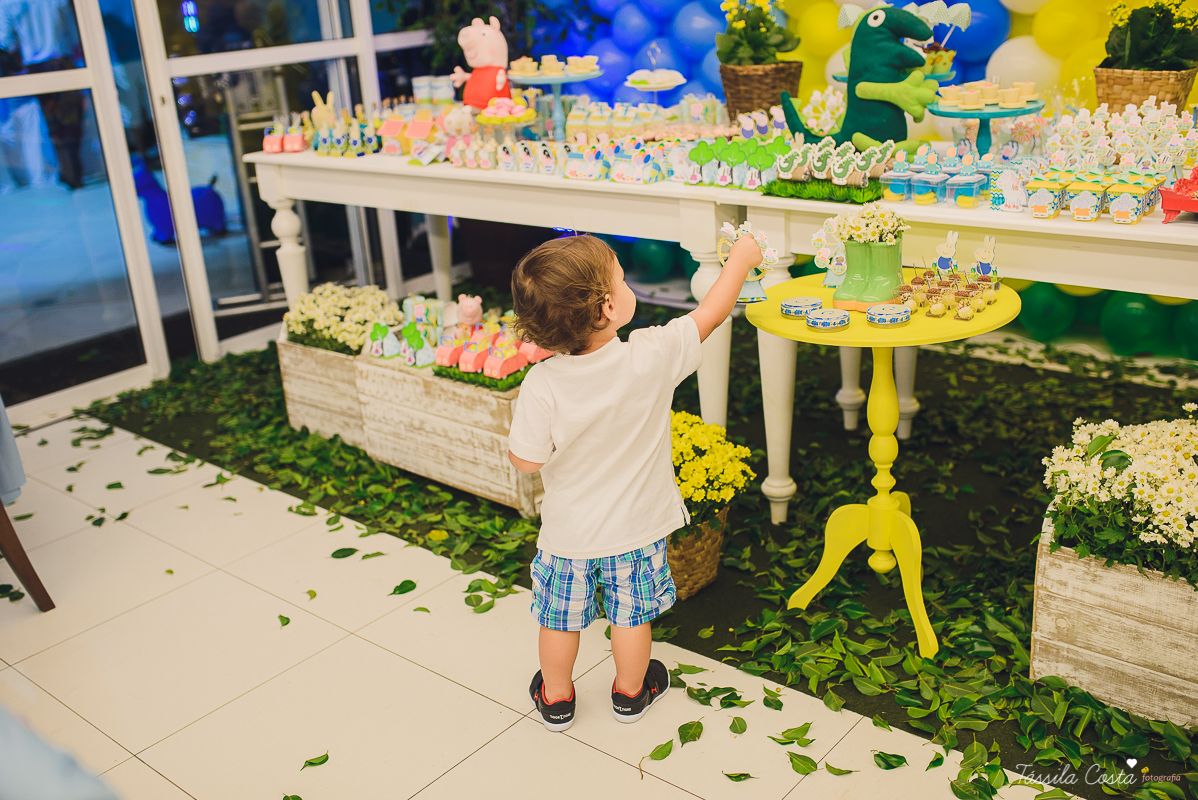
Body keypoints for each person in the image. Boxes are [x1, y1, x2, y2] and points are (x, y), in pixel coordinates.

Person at [507, 232, 762, 731]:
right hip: (637, 531)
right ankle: (630, 692)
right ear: (607, 307)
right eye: (622, 278)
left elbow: (525, 462)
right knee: (631, 617)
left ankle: (556, 697)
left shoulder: (541, 384)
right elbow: (709, 314)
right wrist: (742, 260)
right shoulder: (651, 354)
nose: (627, 283)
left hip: (569, 537)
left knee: (559, 619)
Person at [0, 0, 85, 189]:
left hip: (33, 67)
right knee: (66, 121)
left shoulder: (9, 3)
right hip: (61, 62)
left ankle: (68, 172)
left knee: (52, 124)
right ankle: (70, 172)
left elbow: (5, 40)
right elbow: (72, 30)